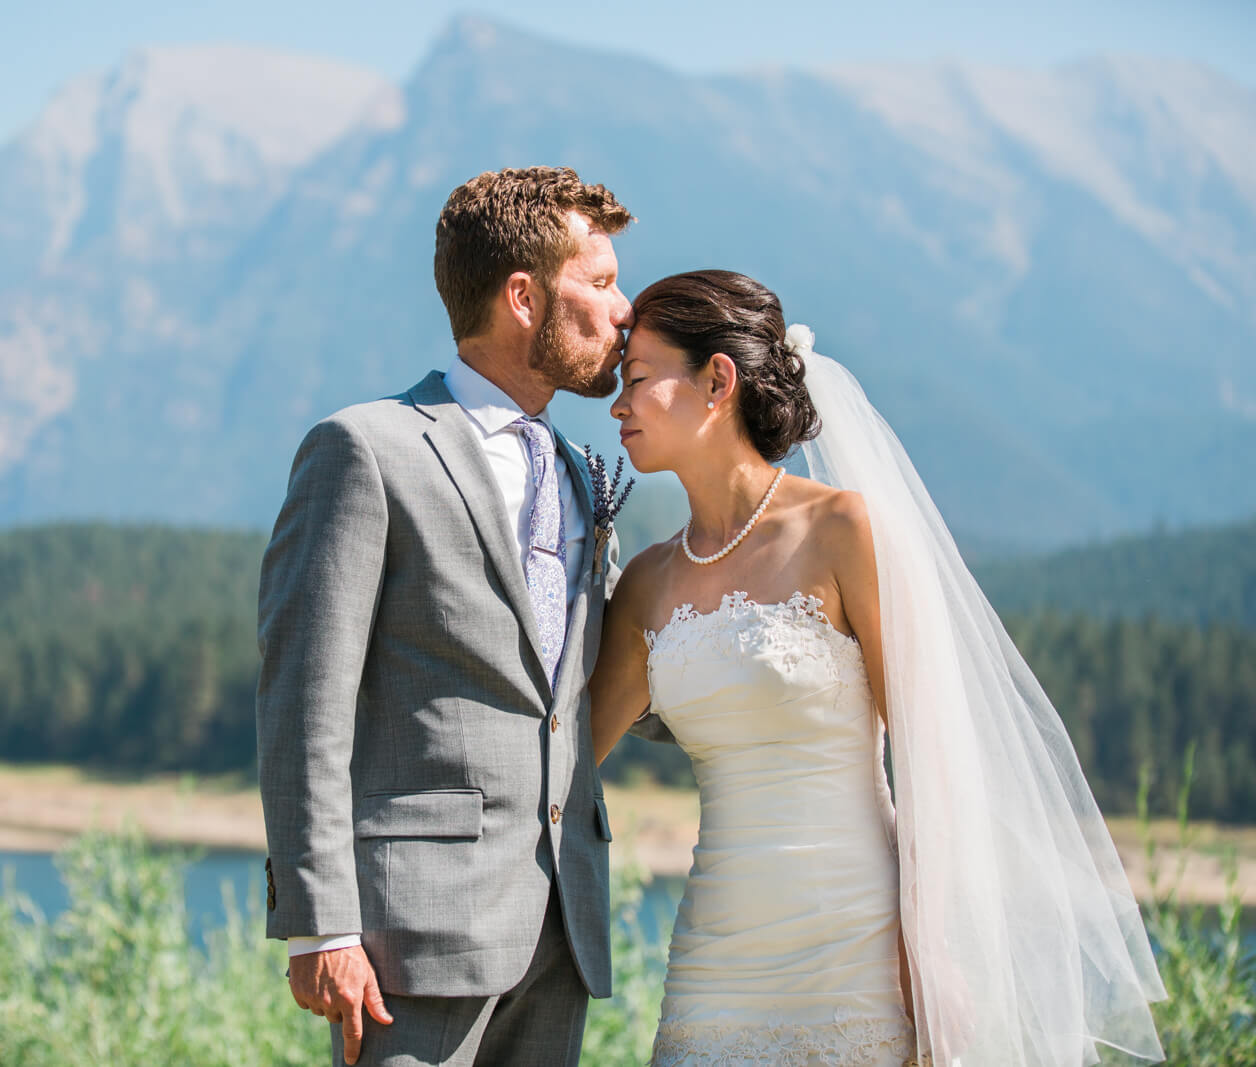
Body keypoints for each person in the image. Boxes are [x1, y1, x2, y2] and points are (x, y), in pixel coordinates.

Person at [591, 270, 1165, 1066]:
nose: (617, 405)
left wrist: (929, 955)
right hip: (715, 960)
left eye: (640, 380)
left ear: (716, 380)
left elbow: (932, 759)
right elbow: (567, 751)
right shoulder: (647, 583)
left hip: (857, 947)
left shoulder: (841, 529)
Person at [256, 166, 633, 1067]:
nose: (624, 312)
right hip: (407, 942)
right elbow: (305, 702)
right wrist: (321, 925)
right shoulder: (366, 449)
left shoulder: (583, 471)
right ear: (522, 297)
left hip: (562, 927)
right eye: (602, 281)